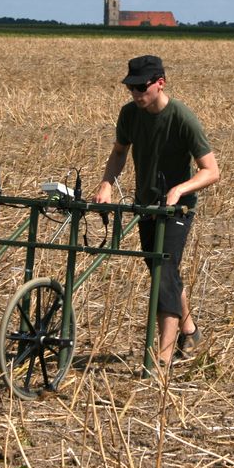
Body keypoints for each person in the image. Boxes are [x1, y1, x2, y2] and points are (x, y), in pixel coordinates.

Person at [93, 55, 220, 367]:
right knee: (164, 271)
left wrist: (179, 189)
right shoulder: (129, 115)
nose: (136, 93)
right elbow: (120, 152)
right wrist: (106, 183)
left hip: (177, 211)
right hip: (146, 206)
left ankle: (162, 359)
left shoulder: (182, 118)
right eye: (131, 87)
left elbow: (211, 170)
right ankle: (189, 331)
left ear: (160, 82)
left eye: (141, 87)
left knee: (163, 274)